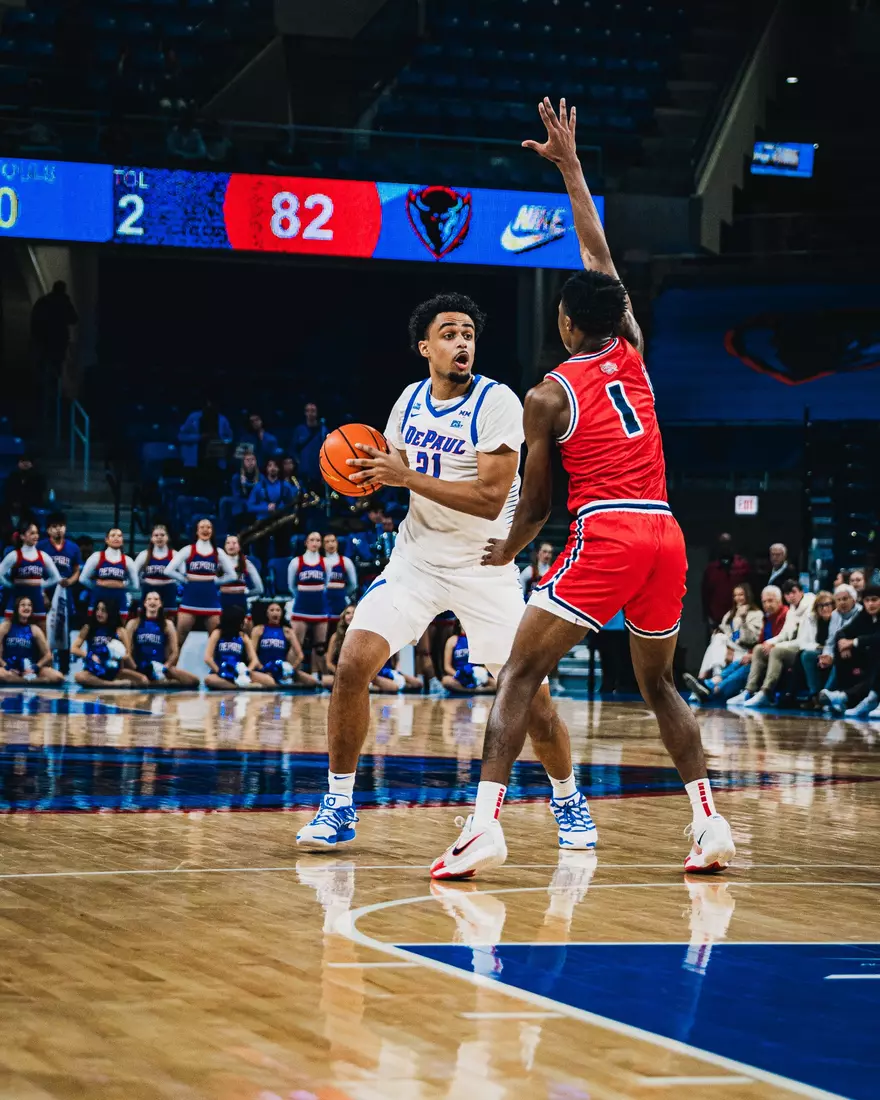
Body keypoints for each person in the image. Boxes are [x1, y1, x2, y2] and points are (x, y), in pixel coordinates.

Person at [428, 98, 734, 879]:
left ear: (568, 325)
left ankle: (484, 826)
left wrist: (511, 548)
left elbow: (536, 501)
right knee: (659, 681)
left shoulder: (548, 394)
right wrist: (571, 167)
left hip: (608, 534)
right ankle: (709, 823)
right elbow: (602, 263)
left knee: (521, 674)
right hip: (666, 533)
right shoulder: (633, 348)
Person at [296, 280, 590, 855]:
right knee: (354, 663)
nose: (462, 343)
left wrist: (402, 477)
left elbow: (488, 495)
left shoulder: (498, 402)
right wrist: (366, 476)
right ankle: (338, 804)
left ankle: (567, 795)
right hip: (417, 560)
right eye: (449, 334)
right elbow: (394, 470)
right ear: (424, 347)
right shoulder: (407, 401)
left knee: (532, 700)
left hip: (486, 566)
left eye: (469, 335)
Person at [734, 580, 815, 708]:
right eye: (787, 594)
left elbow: (804, 641)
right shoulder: (792, 610)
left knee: (776, 651)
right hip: (791, 646)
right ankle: (748, 691)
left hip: (804, 648)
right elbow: (783, 635)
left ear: (801, 592)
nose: (790, 596)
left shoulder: (810, 609)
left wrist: (775, 646)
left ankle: (765, 692)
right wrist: (768, 642)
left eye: (793, 592)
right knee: (759, 649)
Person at [164, 518, 237, 648]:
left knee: (216, 639)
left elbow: (233, 575)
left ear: (212, 531)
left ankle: (216, 667)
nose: (205, 530)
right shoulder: (188, 550)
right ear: (197, 531)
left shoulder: (218, 552)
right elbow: (168, 570)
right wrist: (184, 579)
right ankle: (171, 667)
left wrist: (216, 581)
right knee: (179, 638)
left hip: (211, 600)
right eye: (202, 527)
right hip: (190, 599)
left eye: (208, 527)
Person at [684, 583, 763, 700]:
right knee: (718, 638)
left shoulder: (756, 614)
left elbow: (752, 639)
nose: (738, 598)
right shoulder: (730, 614)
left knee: (719, 640)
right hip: (727, 649)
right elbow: (722, 632)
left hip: (743, 649)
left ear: (748, 595)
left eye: (741, 594)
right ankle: (707, 680)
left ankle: (704, 680)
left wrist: (743, 620)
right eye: (735, 595)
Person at [819, 585, 880, 715]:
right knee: (840, 649)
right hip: (869, 657)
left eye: (874, 600)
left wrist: (853, 642)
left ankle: (847, 697)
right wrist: (843, 643)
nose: (870, 604)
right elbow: (843, 632)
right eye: (867, 600)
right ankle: (845, 699)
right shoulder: (865, 615)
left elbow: (877, 638)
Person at [724, 586, 789, 706]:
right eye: (764, 601)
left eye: (770, 600)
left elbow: (785, 638)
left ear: (779, 601)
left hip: (776, 654)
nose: (767, 604)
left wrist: (752, 654)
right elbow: (760, 640)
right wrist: (750, 654)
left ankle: (716, 690)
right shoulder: (768, 617)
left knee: (746, 667)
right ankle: (711, 683)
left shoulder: (785, 615)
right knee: (739, 662)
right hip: (762, 653)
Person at [124, 591, 199, 687]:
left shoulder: (168, 624)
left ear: (160, 604)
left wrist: (164, 668)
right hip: (138, 667)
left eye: (156, 599)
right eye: (149, 599)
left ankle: (156, 682)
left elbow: (175, 652)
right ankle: (157, 683)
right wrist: (135, 668)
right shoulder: (133, 623)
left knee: (194, 681)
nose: (152, 601)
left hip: (160, 667)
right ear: (145, 603)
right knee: (141, 680)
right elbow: (127, 652)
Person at [37, 512, 81, 672]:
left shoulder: (73, 547)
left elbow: (77, 570)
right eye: (54, 527)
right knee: (43, 628)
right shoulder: (41, 546)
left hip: (64, 593)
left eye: (61, 526)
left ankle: (64, 667)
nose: (58, 530)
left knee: (65, 628)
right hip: (47, 591)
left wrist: (70, 581)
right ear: (48, 530)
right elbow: (37, 572)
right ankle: (44, 664)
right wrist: (41, 593)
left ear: (65, 528)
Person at [72, 598, 147, 688]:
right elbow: (74, 648)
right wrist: (90, 655)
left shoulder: (120, 630)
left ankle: (104, 683)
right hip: (94, 670)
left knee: (143, 680)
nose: (99, 613)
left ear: (111, 612)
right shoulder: (88, 628)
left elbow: (127, 654)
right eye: (97, 609)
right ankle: (111, 684)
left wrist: (118, 655)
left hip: (115, 670)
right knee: (79, 676)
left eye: (103, 610)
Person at [0, 521, 62, 626]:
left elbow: (56, 577)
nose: (36, 536)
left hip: (37, 599)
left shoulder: (43, 556)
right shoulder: (14, 555)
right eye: (32, 533)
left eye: (37, 533)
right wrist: (10, 585)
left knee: (42, 634)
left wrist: (40, 585)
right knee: (7, 630)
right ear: (23, 536)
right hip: (16, 599)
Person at [287, 531, 331, 675]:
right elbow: (291, 585)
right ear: (306, 542)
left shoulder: (326, 562)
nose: (315, 543)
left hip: (319, 608)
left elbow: (326, 583)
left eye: (318, 540)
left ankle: (316, 675)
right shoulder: (296, 562)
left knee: (319, 646)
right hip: (301, 607)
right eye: (312, 539)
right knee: (296, 645)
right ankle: (291, 674)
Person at [203, 606, 274, 691]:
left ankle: (238, 685)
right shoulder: (217, 633)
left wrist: (246, 671)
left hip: (240, 672)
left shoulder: (243, 636)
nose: (246, 621)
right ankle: (240, 687)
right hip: (220, 672)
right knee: (209, 679)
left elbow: (254, 660)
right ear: (235, 620)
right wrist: (220, 672)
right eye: (244, 618)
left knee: (270, 681)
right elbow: (207, 658)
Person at [253, 600, 319, 688]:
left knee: (312, 681)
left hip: (282, 669)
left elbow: (300, 655)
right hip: (264, 669)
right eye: (272, 610)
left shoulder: (287, 631)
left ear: (282, 613)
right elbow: (252, 655)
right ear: (267, 613)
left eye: (278, 610)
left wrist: (290, 670)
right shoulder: (259, 630)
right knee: (270, 682)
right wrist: (262, 668)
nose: (275, 612)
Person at [0, 594, 64, 684]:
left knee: (58, 677)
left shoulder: (34, 629)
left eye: (29, 605)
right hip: (10, 669)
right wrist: (7, 667)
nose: (27, 607)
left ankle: (23, 680)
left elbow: (48, 655)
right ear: (16, 608)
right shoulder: (6, 626)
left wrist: (35, 667)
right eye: (23, 605)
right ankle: (32, 682)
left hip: (29, 669)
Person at [79, 528, 140, 622]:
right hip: (98, 598)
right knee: (93, 629)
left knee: (120, 631)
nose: (116, 538)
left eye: (119, 536)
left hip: (119, 600)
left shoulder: (128, 560)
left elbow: (135, 585)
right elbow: (82, 579)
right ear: (106, 539)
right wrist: (95, 585)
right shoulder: (97, 556)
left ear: (122, 540)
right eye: (113, 535)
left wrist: (123, 585)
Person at [701, 533, 751, 633]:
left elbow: (750, 591)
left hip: (739, 617)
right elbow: (705, 595)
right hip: (716, 620)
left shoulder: (743, 566)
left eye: (727, 543)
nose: (725, 547)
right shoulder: (711, 569)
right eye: (722, 544)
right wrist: (707, 617)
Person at [30, 280, 78, 378]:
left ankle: (42, 388)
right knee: (56, 370)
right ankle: (55, 389)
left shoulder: (43, 301)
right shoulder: (64, 302)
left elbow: (34, 319)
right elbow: (74, 319)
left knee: (43, 368)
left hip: (43, 341)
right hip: (58, 342)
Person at [133, 525, 178, 620]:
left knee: (169, 621)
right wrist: (140, 584)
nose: (159, 537)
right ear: (151, 538)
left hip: (168, 590)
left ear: (167, 537)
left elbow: (183, 574)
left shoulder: (175, 555)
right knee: (143, 619)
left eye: (162, 535)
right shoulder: (144, 554)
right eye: (156, 535)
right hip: (148, 589)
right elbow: (133, 574)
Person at [799, 591, 836, 705]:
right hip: (818, 649)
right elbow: (803, 642)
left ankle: (825, 695)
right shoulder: (811, 618)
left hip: (834, 651)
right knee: (806, 655)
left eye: (827, 604)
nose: (824, 608)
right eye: (821, 606)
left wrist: (828, 654)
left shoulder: (838, 617)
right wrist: (819, 648)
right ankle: (814, 694)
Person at [218, 534, 264, 623]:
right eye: (228, 543)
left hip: (241, 602)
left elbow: (260, 589)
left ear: (239, 546)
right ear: (224, 546)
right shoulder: (218, 563)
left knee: (245, 629)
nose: (231, 545)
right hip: (223, 602)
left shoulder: (246, 563)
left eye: (234, 543)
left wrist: (244, 594)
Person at [441, 622, 495, 694]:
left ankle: (471, 690)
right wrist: (459, 675)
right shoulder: (452, 640)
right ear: (459, 623)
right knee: (446, 680)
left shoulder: (479, 640)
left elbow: (485, 664)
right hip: (459, 677)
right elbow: (447, 667)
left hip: (477, 676)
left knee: (498, 683)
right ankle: (473, 691)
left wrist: (480, 674)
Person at [322, 533, 357, 633]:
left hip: (340, 603)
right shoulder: (320, 562)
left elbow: (353, 584)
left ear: (337, 543)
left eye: (333, 541)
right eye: (327, 542)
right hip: (324, 603)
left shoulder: (346, 562)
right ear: (323, 545)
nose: (330, 544)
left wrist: (343, 594)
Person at [290, 402, 327, 486]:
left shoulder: (323, 430)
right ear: (305, 413)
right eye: (308, 411)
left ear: (317, 413)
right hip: (303, 473)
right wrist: (299, 463)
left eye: (313, 411)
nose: (310, 413)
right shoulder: (299, 430)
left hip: (318, 472)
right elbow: (293, 450)